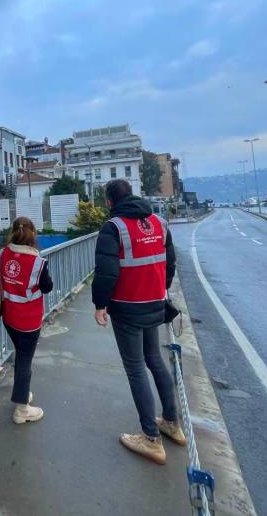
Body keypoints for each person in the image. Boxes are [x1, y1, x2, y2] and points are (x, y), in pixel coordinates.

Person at [92, 179, 185, 464]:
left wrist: (100, 305)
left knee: (135, 369)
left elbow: (106, 272)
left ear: (110, 202)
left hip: (128, 309)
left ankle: (151, 438)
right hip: (155, 303)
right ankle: (172, 422)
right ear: (132, 195)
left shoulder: (113, 228)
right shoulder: (159, 223)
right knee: (154, 359)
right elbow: (169, 262)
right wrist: (160, 290)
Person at [0, 216, 53, 424]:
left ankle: (23, 393)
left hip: (8, 317)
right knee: (24, 361)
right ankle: (22, 410)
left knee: (21, 356)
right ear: (33, 234)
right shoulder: (38, 262)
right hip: (28, 321)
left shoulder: (3, 253)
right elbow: (47, 287)